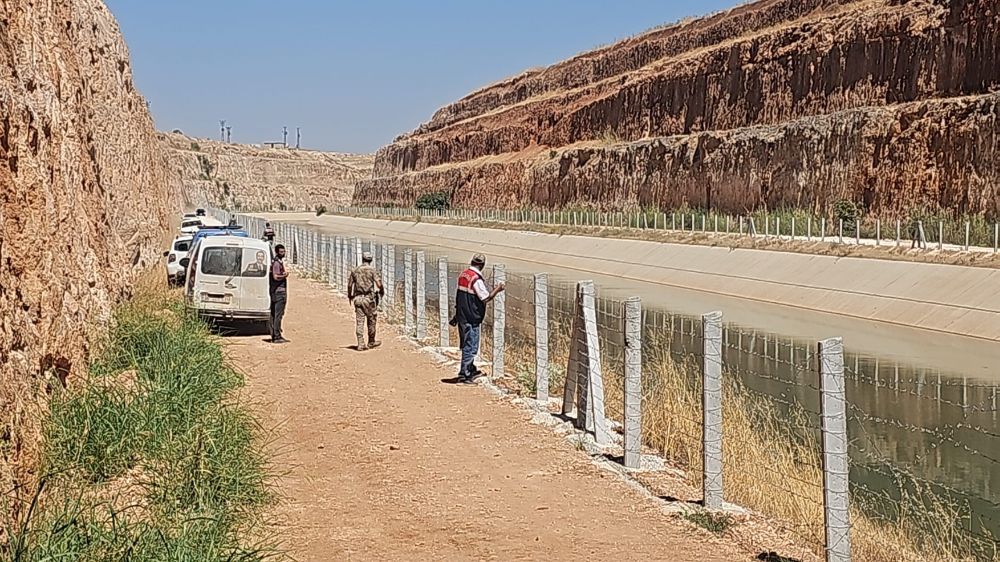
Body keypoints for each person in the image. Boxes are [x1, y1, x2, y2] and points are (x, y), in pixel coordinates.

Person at [453, 254, 504, 383]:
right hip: (471, 317)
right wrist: (497, 289)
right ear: (482, 265)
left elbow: (460, 296)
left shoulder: (464, 274)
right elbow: (485, 298)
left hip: (463, 315)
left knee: (467, 343)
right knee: (471, 346)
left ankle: (470, 368)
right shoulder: (476, 279)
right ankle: (465, 374)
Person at [347, 251, 385, 351]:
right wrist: (382, 291)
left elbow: (350, 285)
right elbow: (378, 284)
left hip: (358, 298)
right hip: (369, 299)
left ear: (363, 259)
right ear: (371, 260)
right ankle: (371, 341)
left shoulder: (355, 270)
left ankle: (360, 343)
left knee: (360, 321)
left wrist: (350, 296)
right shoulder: (372, 270)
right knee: (371, 320)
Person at [269, 244, 289, 344]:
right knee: (278, 315)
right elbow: (276, 276)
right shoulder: (277, 263)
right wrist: (284, 275)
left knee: (275, 314)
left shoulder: (277, 262)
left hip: (276, 292)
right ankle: (276, 336)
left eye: (284, 251)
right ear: (277, 252)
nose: (283, 253)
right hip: (279, 292)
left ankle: (275, 334)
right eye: (281, 252)